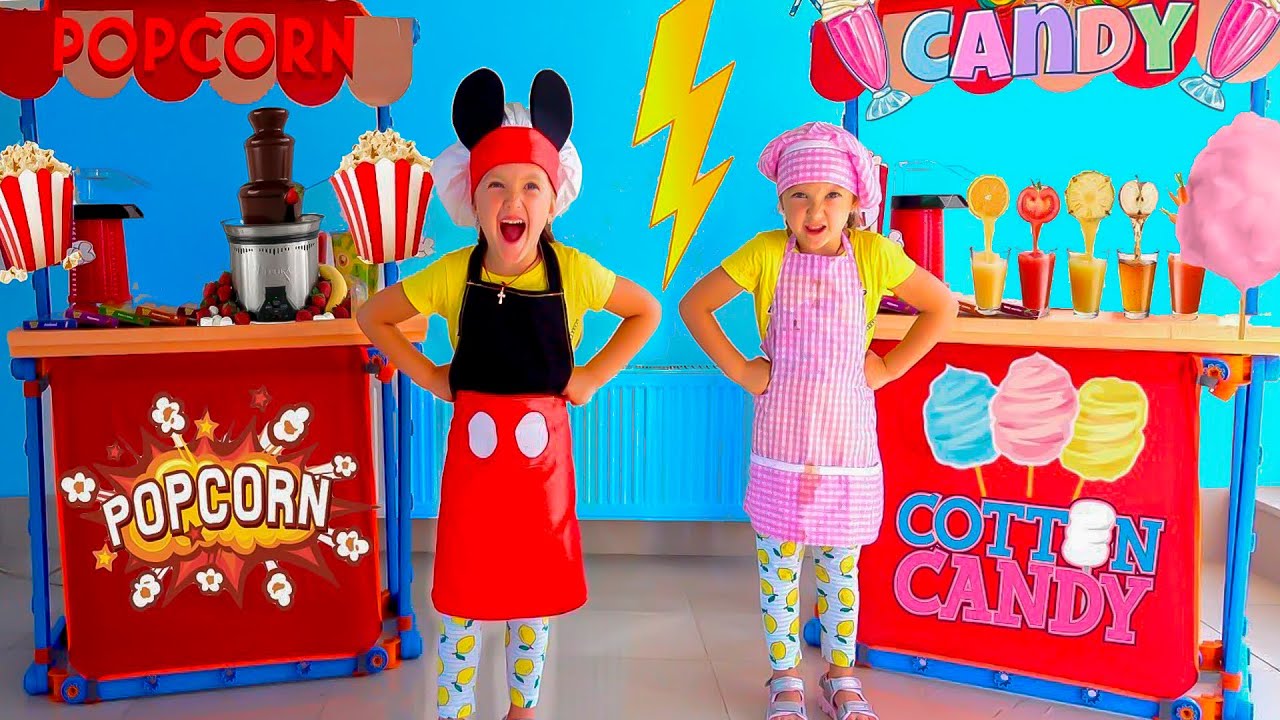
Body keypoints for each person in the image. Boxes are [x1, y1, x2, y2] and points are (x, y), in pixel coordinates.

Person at [358, 68, 660, 720]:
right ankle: (456, 711)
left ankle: (523, 710)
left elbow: (646, 311)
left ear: (553, 201)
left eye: (530, 185)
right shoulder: (451, 275)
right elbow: (373, 315)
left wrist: (591, 376)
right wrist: (428, 375)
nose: (512, 199)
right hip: (474, 480)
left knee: (532, 599)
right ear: (473, 199)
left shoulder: (575, 273)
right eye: (496, 184)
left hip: (541, 478)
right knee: (462, 601)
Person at [679, 121, 956, 720]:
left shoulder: (874, 255)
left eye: (831, 195)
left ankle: (839, 675)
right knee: (779, 571)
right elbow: (694, 305)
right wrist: (742, 369)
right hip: (781, 445)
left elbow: (942, 306)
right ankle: (784, 678)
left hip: (845, 448)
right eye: (800, 195)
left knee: (840, 571)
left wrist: (889, 365)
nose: (815, 210)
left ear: (854, 201)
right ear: (781, 203)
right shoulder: (764, 253)